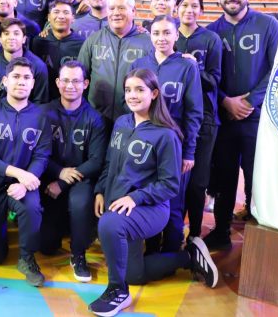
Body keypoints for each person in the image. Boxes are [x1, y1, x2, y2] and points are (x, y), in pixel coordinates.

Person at [90, 69, 216, 316]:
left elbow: (170, 184)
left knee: (108, 224)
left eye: (140, 89)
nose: (132, 95)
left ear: (154, 93)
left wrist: (135, 197)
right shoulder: (121, 123)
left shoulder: (166, 134)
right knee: (135, 274)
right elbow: (109, 163)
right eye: (128, 90)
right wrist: (100, 190)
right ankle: (189, 257)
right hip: (119, 205)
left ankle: (118, 291)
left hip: (150, 209)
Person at [203, 0, 278, 251]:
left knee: (257, 177)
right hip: (223, 118)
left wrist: (249, 100)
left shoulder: (268, 25)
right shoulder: (211, 32)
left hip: (257, 118)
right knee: (223, 178)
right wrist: (225, 101)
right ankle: (221, 231)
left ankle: (260, 236)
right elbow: (207, 77)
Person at [0, 57, 51, 286]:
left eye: (27, 77)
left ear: (33, 83)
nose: (21, 82)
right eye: (16, 76)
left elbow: (42, 156)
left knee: (32, 207)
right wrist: (20, 174)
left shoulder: (41, 116)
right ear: (5, 81)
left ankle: (27, 258)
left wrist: (25, 182)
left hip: (22, 185)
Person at [132, 15, 203, 254]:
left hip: (174, 146)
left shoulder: (187, 66)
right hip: (146, 144)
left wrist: (189, 151)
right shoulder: (140, 64)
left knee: (173, 202)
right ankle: (152, 250)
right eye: (156, 33)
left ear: (176, 35)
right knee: (150, 198)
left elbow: (194, 111)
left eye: (166, 32)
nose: (161, 38)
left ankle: (171, 253)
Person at [40, 60, 108, 282]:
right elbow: (36, 153)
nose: (70, 86)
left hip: (81, 178)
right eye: (66, 80)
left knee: (79, 203)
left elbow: (96, 160)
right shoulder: (44, 113)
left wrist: (63, 181)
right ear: (57, 83)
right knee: (46, 246)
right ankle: (63, 228)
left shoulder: (95, 118)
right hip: (50, 178)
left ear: (85, 84)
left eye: (76, 81)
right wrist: (58, 173)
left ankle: (78, 254)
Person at [175, 0, 222, 240]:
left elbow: (214, 80)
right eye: (184, 5)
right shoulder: (168, 35)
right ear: (176, 8)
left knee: (197, 182)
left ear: (201, 10)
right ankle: (171, 233)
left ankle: (194, 234)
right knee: (173, 181)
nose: (189, 10)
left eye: (194, 6)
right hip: (172, 119)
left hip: (204, 118)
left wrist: (193, 67)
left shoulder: (211, 39)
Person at [78, 0, 154, 121]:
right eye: (112, 8)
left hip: (132, 119)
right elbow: (81, 77)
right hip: (96, 118)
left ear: (133, 11)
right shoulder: (93, 40)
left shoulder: (148, 43)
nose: (116, 13)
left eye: (122, 8)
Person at [0, 18, 48, 107]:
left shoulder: (38, 66)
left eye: (16, 33)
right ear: (0, 39)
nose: (11, 37)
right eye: (6, 33)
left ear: (24, 39)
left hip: (29, 114)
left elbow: (40, 104)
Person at [32, 0, 85, 99]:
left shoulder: (82, 44)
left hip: (71, 99)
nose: (61, 16)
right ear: (48, 17)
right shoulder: (38, 42)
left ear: (73, 18)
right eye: (56, 12)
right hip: (43, 99)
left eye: (66, 12)